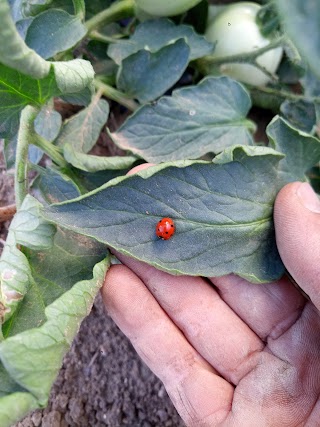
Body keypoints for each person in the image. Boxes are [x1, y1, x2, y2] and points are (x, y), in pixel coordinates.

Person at [102, 175, 320, 427]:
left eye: (164, 230)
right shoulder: (165, 226)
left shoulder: (166, 227)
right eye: (164, 231)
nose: (164, 230)